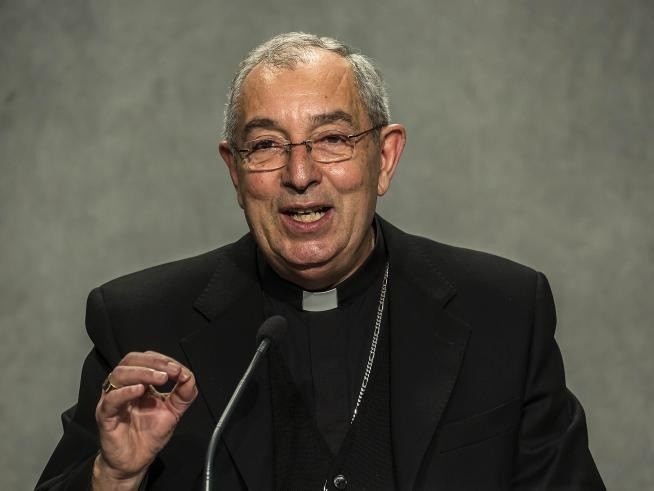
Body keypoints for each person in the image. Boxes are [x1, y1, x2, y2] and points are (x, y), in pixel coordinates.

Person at [36, 32, 604, 490]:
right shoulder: (141, 321)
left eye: (332, 138)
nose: (300, 174)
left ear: (385, 157)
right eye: (266, 146)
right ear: (235, 171)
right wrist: (114, 478)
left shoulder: (504, 311)